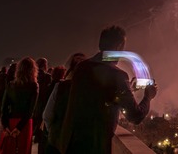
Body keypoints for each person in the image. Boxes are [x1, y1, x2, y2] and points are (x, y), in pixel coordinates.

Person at [58, 25, 158, 154]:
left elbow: (98, 97)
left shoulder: (82, 68)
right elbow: (135, 116)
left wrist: (128, 90)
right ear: (119, 46)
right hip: (95, 146)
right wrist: (148, 96)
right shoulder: (118, 75)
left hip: (71, 144)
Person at [44, 53, 85, 154]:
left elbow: (47, 115)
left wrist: (53, 131)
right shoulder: (90, 90)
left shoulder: (60, 87)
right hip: (79, 142)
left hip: (57, 139)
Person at [0, 57, 39, 154]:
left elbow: (4, 107)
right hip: (25, 123)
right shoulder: (34, 85)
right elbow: (30, 110)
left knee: (9, 150)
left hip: (11, 121)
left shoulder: (11, 84)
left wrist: (5, 126)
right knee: (23, 150)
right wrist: (19, 128)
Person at [34, 57, 53, 154]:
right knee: (41, 134)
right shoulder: (47, 76)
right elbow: (47, 93)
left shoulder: (34, 75)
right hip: (43, 105)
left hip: (34, 106)